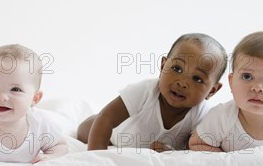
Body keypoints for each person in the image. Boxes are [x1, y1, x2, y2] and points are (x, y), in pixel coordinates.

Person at [77, 33, 227, 152]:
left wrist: (172, 152)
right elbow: (106, 119)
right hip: (115, 134)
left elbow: (193, 148)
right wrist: (97, 158)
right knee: (86, 129)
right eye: (177, 69)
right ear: (163, 66)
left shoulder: (203, 114)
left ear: (212, 90)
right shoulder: (145, 91)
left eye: (197, 78)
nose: (182, 82)